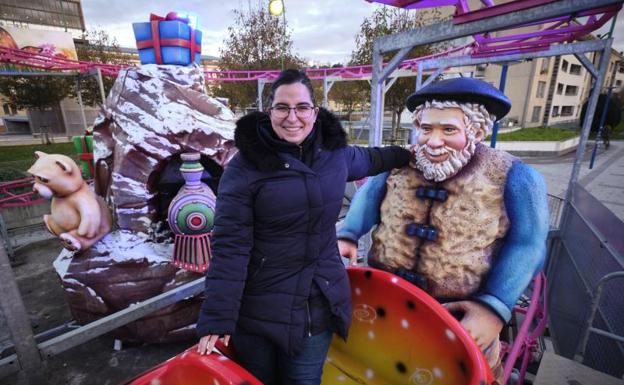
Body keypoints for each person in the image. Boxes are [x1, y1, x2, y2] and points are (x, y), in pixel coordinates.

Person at [196, 69, 411, 385]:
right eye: (282, 107)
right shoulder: (244, 169)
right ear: (269, 112)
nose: (292, 117)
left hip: (316, 303)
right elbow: (230, 246)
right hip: (259, 309)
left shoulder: (334, 155)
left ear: (315, 112)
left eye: (301, 107)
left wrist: (409, 156)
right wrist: (217, 316)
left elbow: (373, 158)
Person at [337, 77, 549, 381]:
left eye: (448, 130)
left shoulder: (516, 176)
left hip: (461, 318)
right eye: (426, 129)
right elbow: (369, 196)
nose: (433, 142)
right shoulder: (398, 163)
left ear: (475, 130)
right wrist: (348, 234)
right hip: (383, 304)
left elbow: (529, 244)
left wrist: (494, 306)